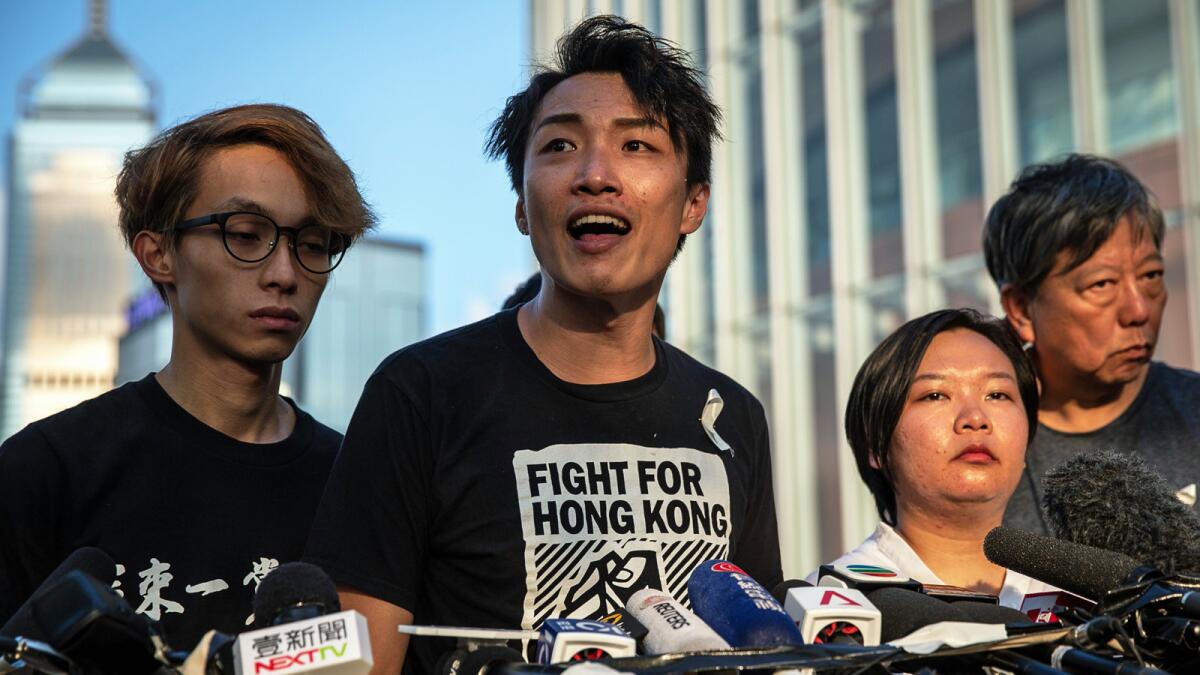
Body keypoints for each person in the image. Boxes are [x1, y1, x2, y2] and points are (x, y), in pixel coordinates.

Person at [305, 15, 782, 673]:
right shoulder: (420, 392)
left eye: (637, 146)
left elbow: (762, 646)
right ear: (523, 206)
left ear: (693, 204)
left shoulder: (732, 414)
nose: (594, 174)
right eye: (559, 146)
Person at [0, 104, 375, 647]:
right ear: (157, 255)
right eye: (246, 235)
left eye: (313, 244)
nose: (285, 273)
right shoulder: (47, 469)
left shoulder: (356, 484)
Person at [982, 154, 1200, 534]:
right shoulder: (982, 443)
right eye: (1101, 284)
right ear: (1020, 308)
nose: (1137, 309)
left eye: (1151, 275)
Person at [807, 309, 1067, 612]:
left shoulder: (1081, 607)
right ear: (875, 447)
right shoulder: (830, 607)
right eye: (935, 395)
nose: (975, 419)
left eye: (997, 394)